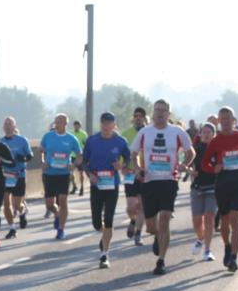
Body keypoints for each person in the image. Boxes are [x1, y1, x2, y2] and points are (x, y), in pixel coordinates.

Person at [129, 99, 194, 275]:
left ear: (168, 114)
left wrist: (184, 164)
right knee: (151, 226)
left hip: (168, 180)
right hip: (149, 181)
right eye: (157, 110)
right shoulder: (145, 132)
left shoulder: (177, 132)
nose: (159, 113)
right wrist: (137, 168)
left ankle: (161, 261)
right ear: (153, 112)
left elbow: (191, 151)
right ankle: (158, 236)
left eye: (163, 110)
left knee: (165, 217)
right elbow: (133, 153)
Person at [201, 106, 238, 272]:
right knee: (225, 221)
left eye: (228, 118)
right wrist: (213, 169)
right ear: (219, 121)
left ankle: (234, 257)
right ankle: (227, 246)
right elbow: (205, 163)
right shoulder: (216, 142)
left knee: (235, 221)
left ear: (234, 120)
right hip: (222, 183)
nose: (225, 122)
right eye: (222, 119)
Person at [81, 112, 130, 268]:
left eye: (109, 123)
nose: (106, 126)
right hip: (96, 185)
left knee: (108, 219)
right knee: (97, 222)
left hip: (112, 185)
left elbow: (129, 159)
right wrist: (89, 175)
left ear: (114, 125)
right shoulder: (92, 141)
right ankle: (104, 234)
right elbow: (84, 162)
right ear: (100, 124)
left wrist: (121, 166)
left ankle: (104, 254)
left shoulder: (121, 142)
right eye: (103, 123)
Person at [39, 113, 81, 240]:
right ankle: (57, 214)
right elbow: (41, 150)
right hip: (49, 173)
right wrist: (43, 161)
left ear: (66, 124)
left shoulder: (72, 139)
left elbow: (80, 155)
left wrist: (73, 165)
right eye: (56, 121)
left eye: (61, 122)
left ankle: (61, 229)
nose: (58, 124)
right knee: (49, 204)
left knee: (63, 201)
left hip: (63, 174)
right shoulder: (48, 136)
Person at [187, 122, 219, 262]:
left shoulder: (218, 149)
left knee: (209, 218)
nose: (205, 134)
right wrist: (190, 171)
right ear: (199, 135)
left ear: (213, 134)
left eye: (208, 132)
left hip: (213, 188)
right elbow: (184, 163)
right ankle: (200, 238)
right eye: (203, 132)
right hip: (197, 188)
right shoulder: (195, 148)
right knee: (197, 221)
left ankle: (207, 250)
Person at [0, 116, 33, 238]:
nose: (8, 126)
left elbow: (30, 156)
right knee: (6, 203)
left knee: (17, 205)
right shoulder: (0, 142)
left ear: (14, 127)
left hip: (19, 175)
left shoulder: (22, 140)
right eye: (6, 124)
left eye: (10, 124)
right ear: (3, 127)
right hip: (5, 175)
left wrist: (22, 158)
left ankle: (22, 212)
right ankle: (12, 228)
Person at [121, 107, 147, 245]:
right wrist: (123, 167)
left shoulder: (150, 132)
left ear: (144, 118)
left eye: (141, 115)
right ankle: (132, 220)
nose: (138, 118)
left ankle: (138, 233)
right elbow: (121, 153)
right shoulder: (126, 134)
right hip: (130, 173)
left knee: (142, 205)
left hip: (145, 174)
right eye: (136, 115)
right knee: (131, 207)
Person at [71, 120, 89, 196]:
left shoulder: (83, 134)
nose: (76, 127)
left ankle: (82, 187)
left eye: (78, 125)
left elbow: (87, 145)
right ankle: (74, 186)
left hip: (80, 156)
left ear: (80, 126)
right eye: (75, 125)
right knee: (70, 172)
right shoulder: (71, 133)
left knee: (81, 173)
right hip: (72, 155)